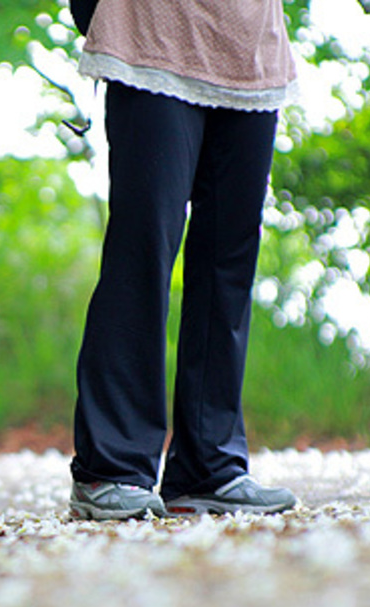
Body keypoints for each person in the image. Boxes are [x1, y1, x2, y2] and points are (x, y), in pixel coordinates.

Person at [67, 0, 299, 520]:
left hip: (251, 54)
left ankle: (208, 467)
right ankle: (113, 466)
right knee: (143, 251)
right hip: (151, 39)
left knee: (229, 265)